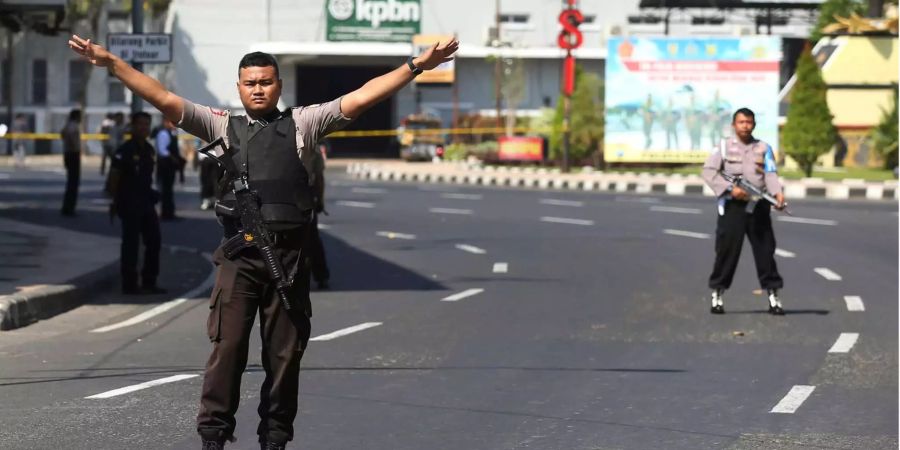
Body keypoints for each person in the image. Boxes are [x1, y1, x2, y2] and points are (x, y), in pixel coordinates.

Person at [68, 33, 458, 449]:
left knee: (284, 357)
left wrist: (416, 66)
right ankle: (214, 436)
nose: (258, 89)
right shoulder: (220, 124)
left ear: (278, 85)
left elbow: (361, 97)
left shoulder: (304, 123)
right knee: (228, 349)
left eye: (266, 82)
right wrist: (112, 63)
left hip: (288, 261)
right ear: (238, 87)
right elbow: (163, 98)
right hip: (240, 260)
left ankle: (275, 438)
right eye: (250, 82)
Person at [701, 107, 787, 316]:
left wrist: (778, 194)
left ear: (754, 125)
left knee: (765, 251)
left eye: (749, 122)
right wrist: (731, 189)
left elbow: (770, 174)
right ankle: (717, 294)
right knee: (727, 251)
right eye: (741, 122)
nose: (745, 126)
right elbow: (708, 172)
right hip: (733, 207)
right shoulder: (722, 147)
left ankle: (773, 297)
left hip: (758, 207)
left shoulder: (763, 148)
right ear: (734, 124)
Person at [106, 112, 165, 295]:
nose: (143, 128)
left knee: (154, 241)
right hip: (128, 202)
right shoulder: (125, 150)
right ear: (132, 127)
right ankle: (129, 283)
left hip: (146, 201)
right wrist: (114, 202)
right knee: (131, 244)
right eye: (140, 124)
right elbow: (113, 179)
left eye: (146, 124)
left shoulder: (148, 149)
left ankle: (149, 280)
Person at [308, 141, 330, 290]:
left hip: (281, 196)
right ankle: (321, 276)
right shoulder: (311, 145)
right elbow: (319, 178)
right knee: (312, 239)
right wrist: (319, 200)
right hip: (306, 197)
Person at [153, 117, 181, 220]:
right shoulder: (163, 134)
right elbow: (162, 150)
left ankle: (169, 212)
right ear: (165, 122)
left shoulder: (171, 133)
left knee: (168, 190)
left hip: (169, 166)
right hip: (165, 165)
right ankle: (166, 213)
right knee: (165, 190)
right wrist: (173, 158)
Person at [60, 109, 83, 216]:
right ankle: (69, 207)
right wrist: (74, 147)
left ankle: (67, 206)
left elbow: (63, 134)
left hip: (68, 153)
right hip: (73, 154)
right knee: (73, 182)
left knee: (71, 181)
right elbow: (70, 137)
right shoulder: (73, 126)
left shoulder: (67, 125)